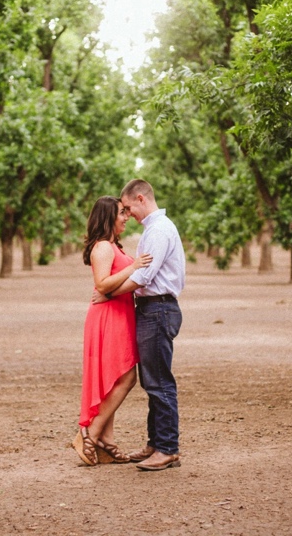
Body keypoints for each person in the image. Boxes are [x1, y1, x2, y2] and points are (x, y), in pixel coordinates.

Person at [94, 179, 185, 471]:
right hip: (151, 309)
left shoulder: (159, 230)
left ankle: (168, 448)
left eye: (129, 207)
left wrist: (108, 293)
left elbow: (144, 278)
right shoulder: (153, 230)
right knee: (152, 380)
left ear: (142, 198)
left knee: (159, 382)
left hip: (158, 309)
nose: (128, 213)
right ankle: (156, 443)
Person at [73, 196, 152, 466]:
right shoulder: (103, 248)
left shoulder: (112, 246)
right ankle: (90, 433)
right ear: (107, 216)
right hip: (108, 318)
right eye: (121, 212)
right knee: (126, 377)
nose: (126, 216)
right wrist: (134, 266)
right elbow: (102, 284)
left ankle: (107, 440)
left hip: (118, 314)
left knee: (113, 380)